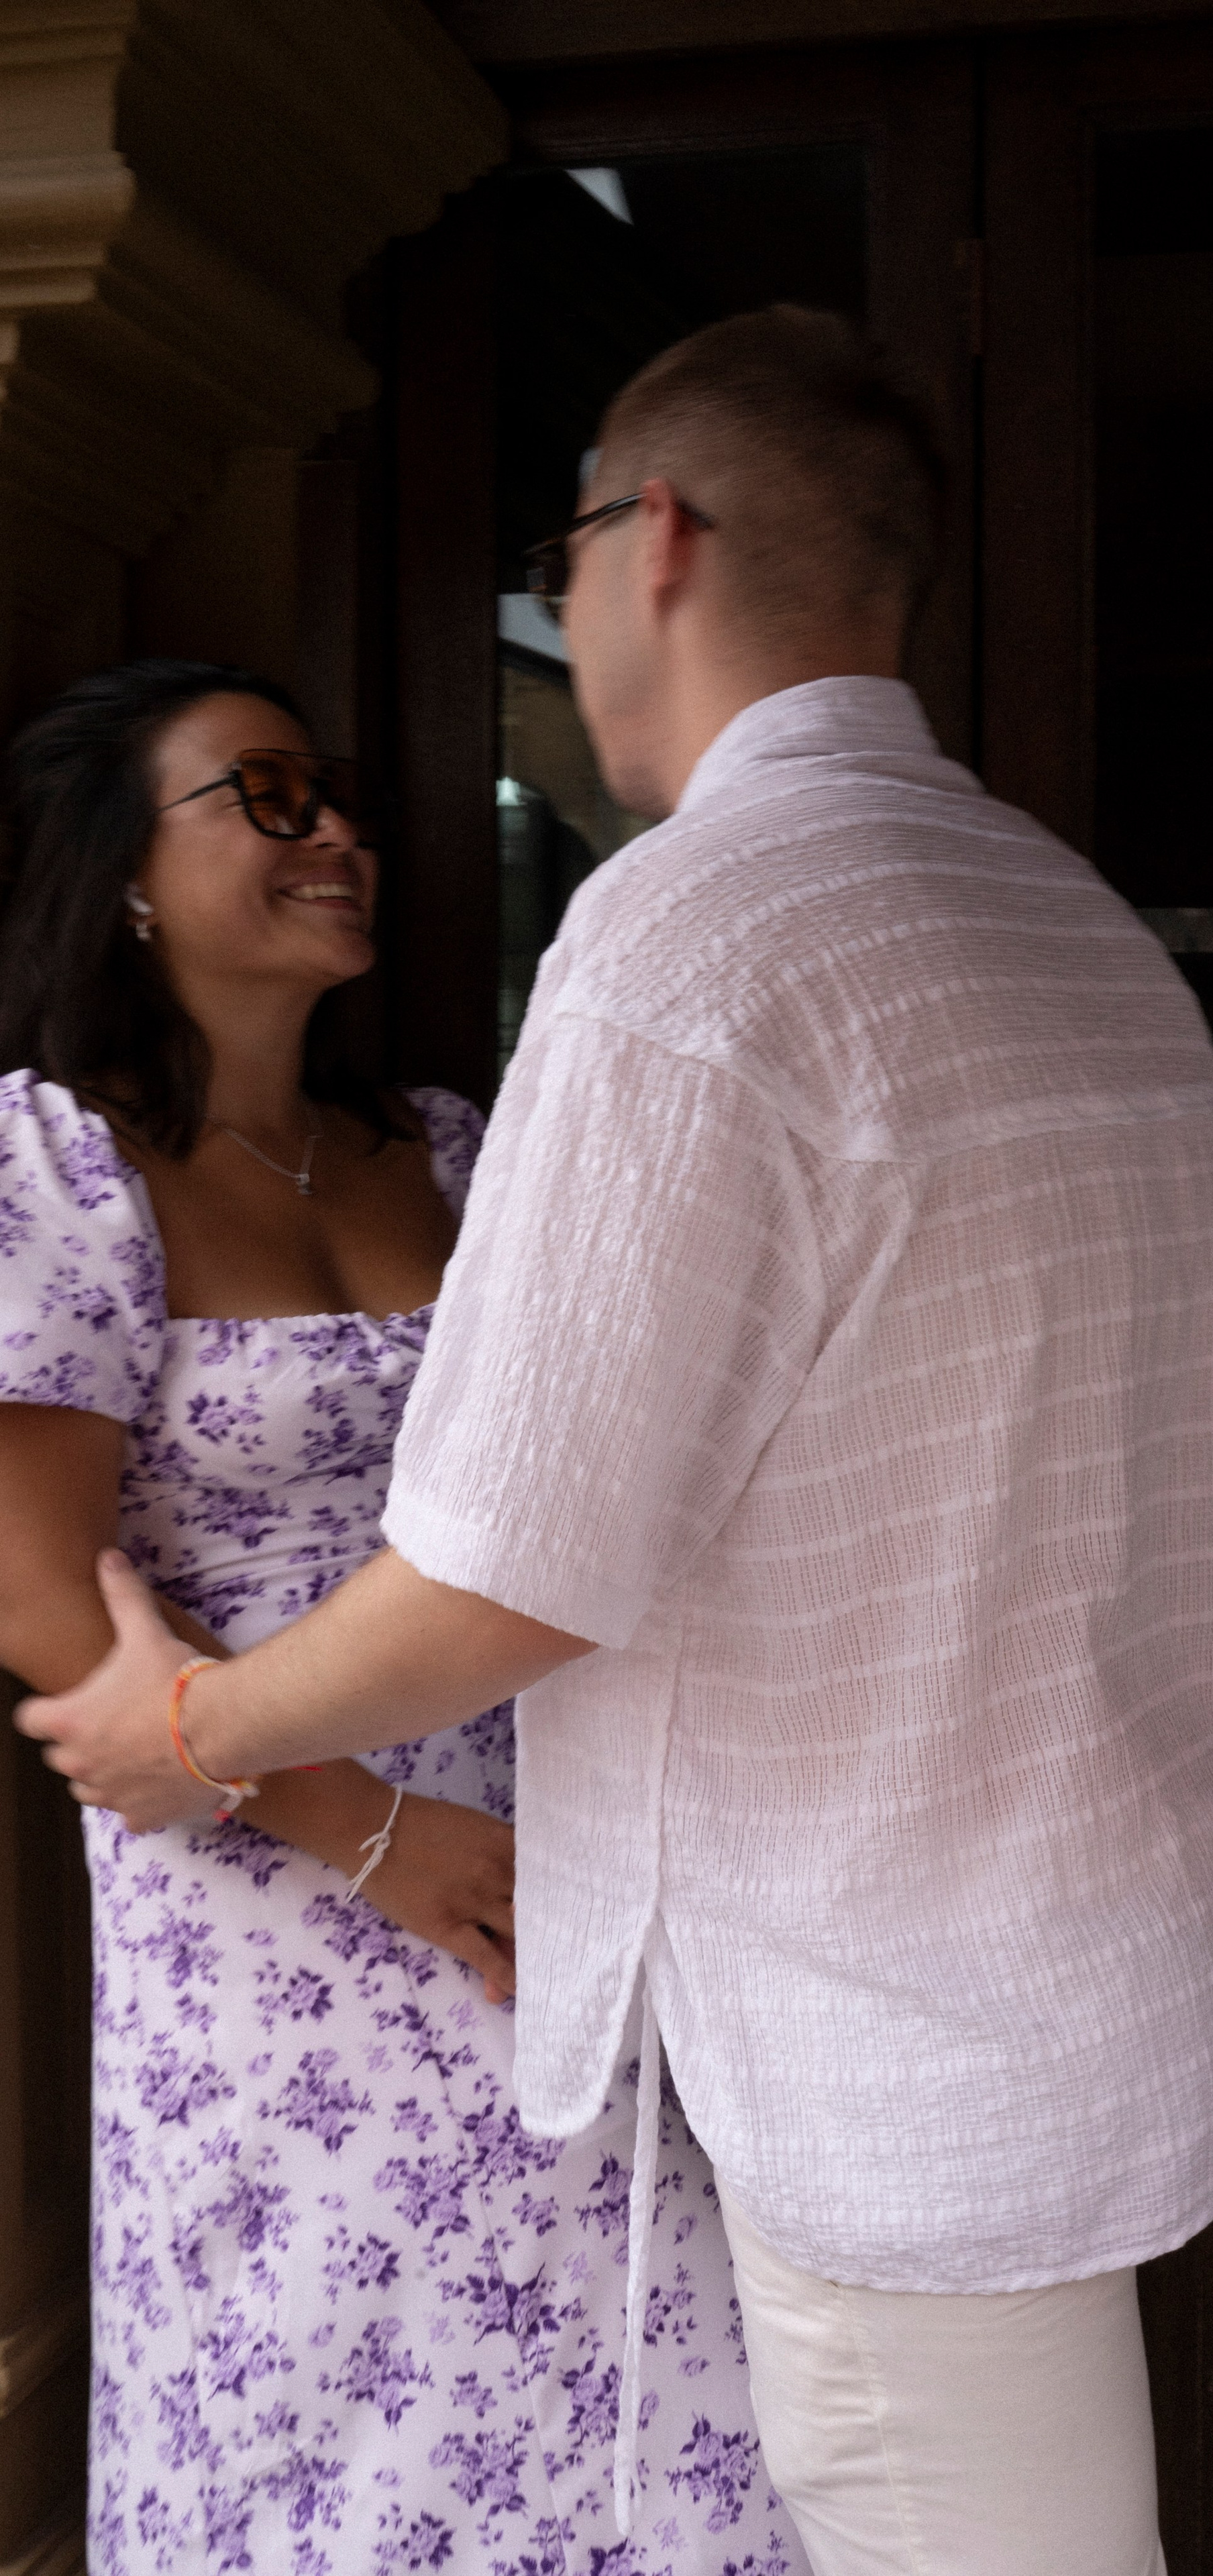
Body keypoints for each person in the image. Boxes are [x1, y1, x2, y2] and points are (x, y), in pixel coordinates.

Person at [21, 311, 1213, 2576]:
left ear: (660, 540)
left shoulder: (690, 941)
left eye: (571, 546)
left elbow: (528, 1561)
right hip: (996, 1938)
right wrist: (316, 1808)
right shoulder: (1064, 915)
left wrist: (208, 1727)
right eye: (265, 797)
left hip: (839, 1977)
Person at [0, 659, 807, 2576]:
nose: (339, 831)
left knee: (634, 2367)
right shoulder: (56, 1162)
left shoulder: (448, 1147)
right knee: (330, 2409)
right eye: (267, 797)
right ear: (124, 871)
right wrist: (376, 1838)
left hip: (561, 1844)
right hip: (269, 1889)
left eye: (337, 791)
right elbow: (42, 1593)